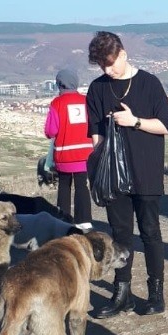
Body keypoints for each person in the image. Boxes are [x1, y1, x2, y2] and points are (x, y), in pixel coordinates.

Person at [85, 31, 168, 317]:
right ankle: (122, 293)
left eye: (111, 64)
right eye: (102, 67)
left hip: (146, 171)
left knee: (150, 232)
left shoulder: (149, 83)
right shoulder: (97, 89)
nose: (108, 71)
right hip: (113, 177)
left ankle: (155, 293)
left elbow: (166, 126)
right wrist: (97, 169)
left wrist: (134, 121)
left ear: (123, 54)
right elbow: (95, 135)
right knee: (120, 235)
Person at [44, 69, 94, 230]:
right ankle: (84, 220)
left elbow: (51, 131)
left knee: (64, 187)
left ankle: (63, 221)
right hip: (85, 154)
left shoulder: (56, 104)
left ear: (59, 84)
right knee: (82, 186)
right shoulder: (86, 101)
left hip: (65, 154)